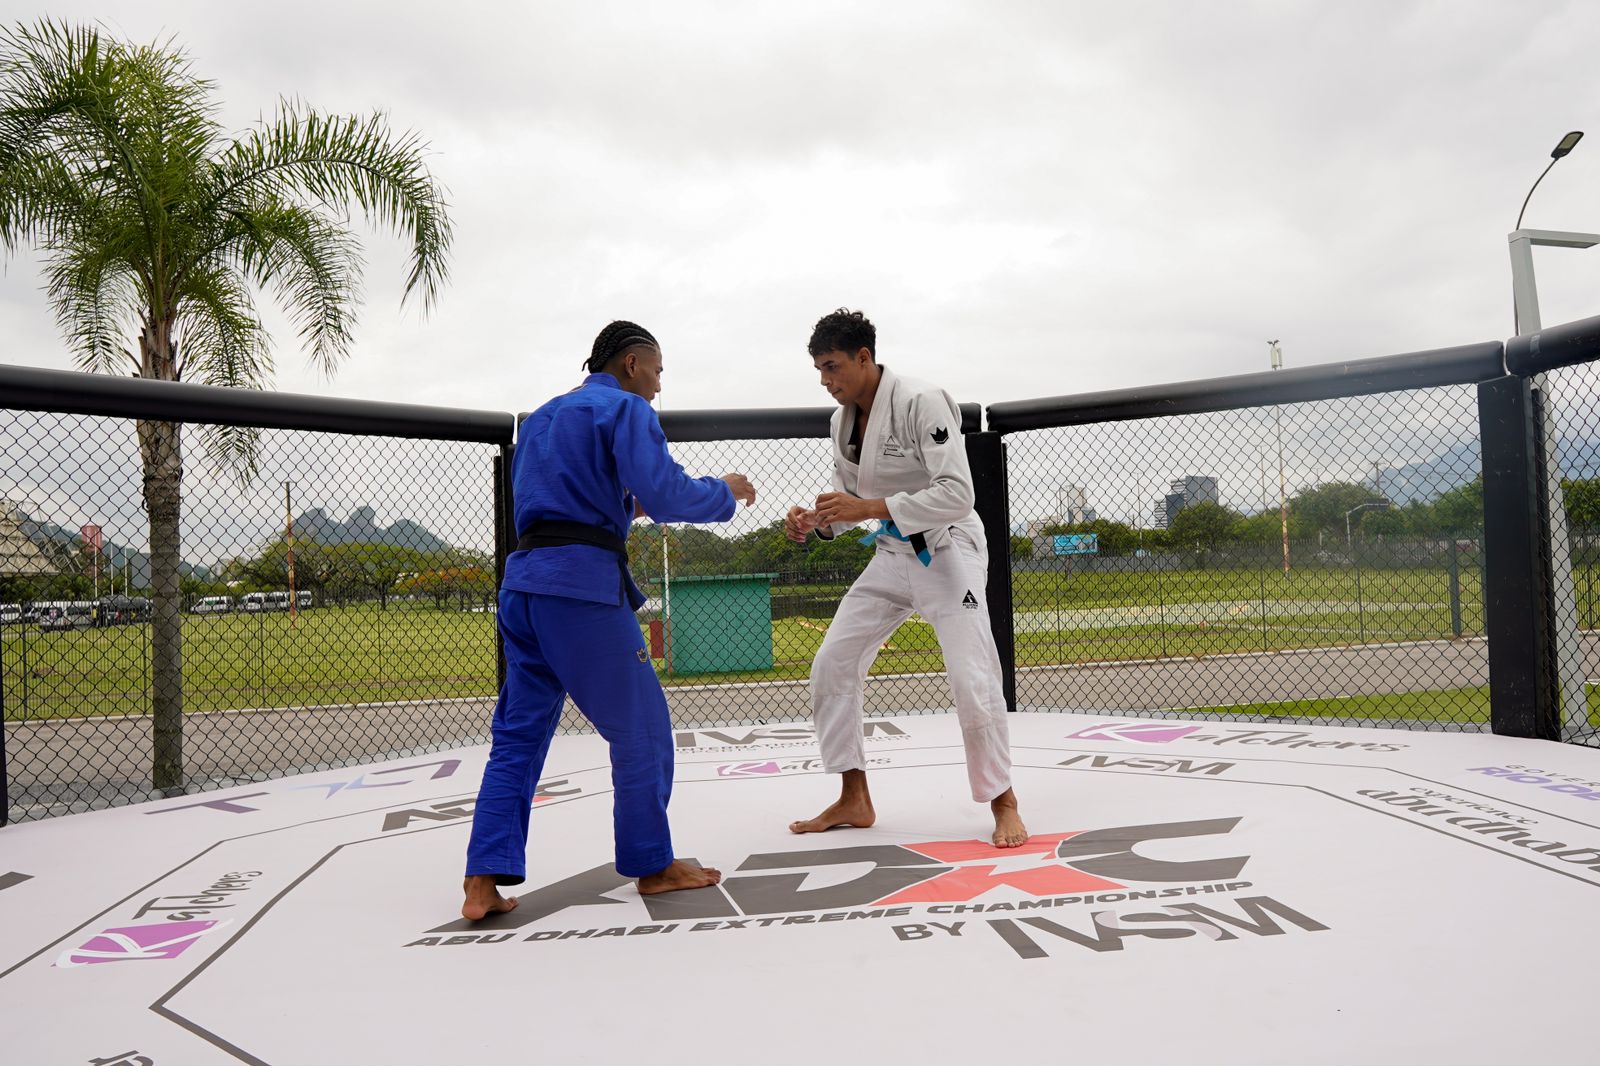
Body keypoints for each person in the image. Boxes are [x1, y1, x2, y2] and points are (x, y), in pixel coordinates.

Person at [461, 321, 757, 920]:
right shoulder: (625, 408)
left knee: (517, 737)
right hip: (582, 591)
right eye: (657, 372)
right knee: (641, 729)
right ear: (630, 365)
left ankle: (480, 882)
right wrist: (722, 490)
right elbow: (669, 495)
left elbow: (570, 495)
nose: (657, 387)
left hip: (523, 586)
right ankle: (654, 865)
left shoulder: (542, 418)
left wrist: (626, 499)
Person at [784, 308, 1028, 848]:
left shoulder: (921, 401)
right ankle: (854, 797)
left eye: (832, 366)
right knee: (833, 662)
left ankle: (1004, 800)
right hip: (894, 553)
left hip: (948, 549)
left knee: (972, 674)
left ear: (864, 357)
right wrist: (817, 523)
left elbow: (958, 494)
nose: (825, 380)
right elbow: (847, 504)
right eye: (819, 370)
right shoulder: (841, 420)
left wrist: (867, 506)